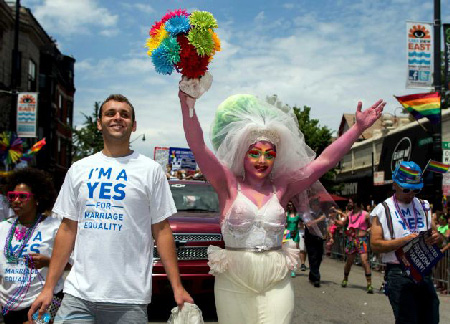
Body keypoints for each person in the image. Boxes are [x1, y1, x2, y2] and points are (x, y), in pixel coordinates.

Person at [178, 87, 385, 323]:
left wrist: (357, 129)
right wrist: (188, 105)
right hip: (233, 280)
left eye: (269, 154)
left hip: (276, 278)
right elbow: (197, 145)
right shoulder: (227, 184)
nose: (262, 160)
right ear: (242, 154)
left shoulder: (283, 186)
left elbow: (324, 162)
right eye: (254, 153)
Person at [29, 94, 193, 323]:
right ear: (99, 123)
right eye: (110, 113)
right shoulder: (79, 170)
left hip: (129, 300)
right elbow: (67, 230)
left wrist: (177, 286)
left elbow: (162, 230)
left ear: (134, 125)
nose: (118, 118)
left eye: (124, 114)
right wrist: (48, 288)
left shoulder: (151, 171)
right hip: (78, 297)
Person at [370, 161, 442, 324]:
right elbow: (375, 245)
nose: (411, 194)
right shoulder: (382, 209)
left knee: (431, 319)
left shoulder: (424, 206)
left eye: (416, 190)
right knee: (407, 320)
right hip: (399, 273)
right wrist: (404, 240)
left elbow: (437, 233)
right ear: (395, 184)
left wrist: (437, 237)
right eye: (407, 189)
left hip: (423, 271)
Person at [0, 168, 66, 324]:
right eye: (13, 196)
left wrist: (48, 262)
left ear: (37, 199)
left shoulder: (55, 227)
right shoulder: (3, 228)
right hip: (8, 306)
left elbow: (74, 264)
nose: (16, 200)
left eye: (23, 196)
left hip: (44, 303)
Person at [335, 198, 373, 293]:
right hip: (351, 239)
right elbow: (342, 223)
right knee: (349, 261)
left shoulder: (365, 214)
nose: (349, 204)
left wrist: (368, 230)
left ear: (356, 203)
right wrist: (336, 221)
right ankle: (345, 279)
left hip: (362, 240)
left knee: (364, 261)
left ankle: (369, 284)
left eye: (350, 202)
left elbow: (372, 225)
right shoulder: (349, 214)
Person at [303, 198, 327, 287]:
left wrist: (326, 234)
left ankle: (312, 274)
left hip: (319, 237)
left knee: (319, 256)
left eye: (317, 204)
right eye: (314, 204)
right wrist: (319, 219)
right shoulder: (307, 214)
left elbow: (325, 225)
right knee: (312, 256)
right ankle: (316, 278)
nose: (315, 206)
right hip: (310, 237)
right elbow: (308, 224)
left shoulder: (321, 214)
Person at [284, 201, 302, 277]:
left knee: (295, 251)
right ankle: (289, 267)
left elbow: (302, 224)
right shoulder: (286, 214)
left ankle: (293, 268)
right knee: (287, 251)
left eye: (291, 205)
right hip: (287, 233)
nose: (290, 206)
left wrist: (299, 226)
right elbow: (283, 223)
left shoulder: (298, 215)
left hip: (295, 233)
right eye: (288, 205)